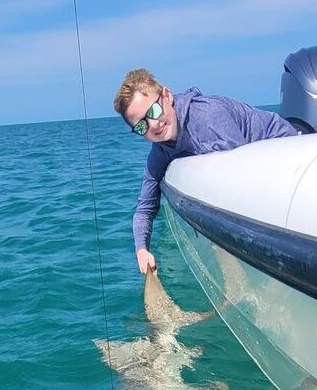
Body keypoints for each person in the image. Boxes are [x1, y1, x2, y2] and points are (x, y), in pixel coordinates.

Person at [113, 69, 296, 274]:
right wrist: (142, 250)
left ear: (167, 96)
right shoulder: (159, 151)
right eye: (141, 126)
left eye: (153, 111)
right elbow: (145, 208)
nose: (153, 125)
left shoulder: (207, 117)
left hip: (286, 153)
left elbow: (242, 180)